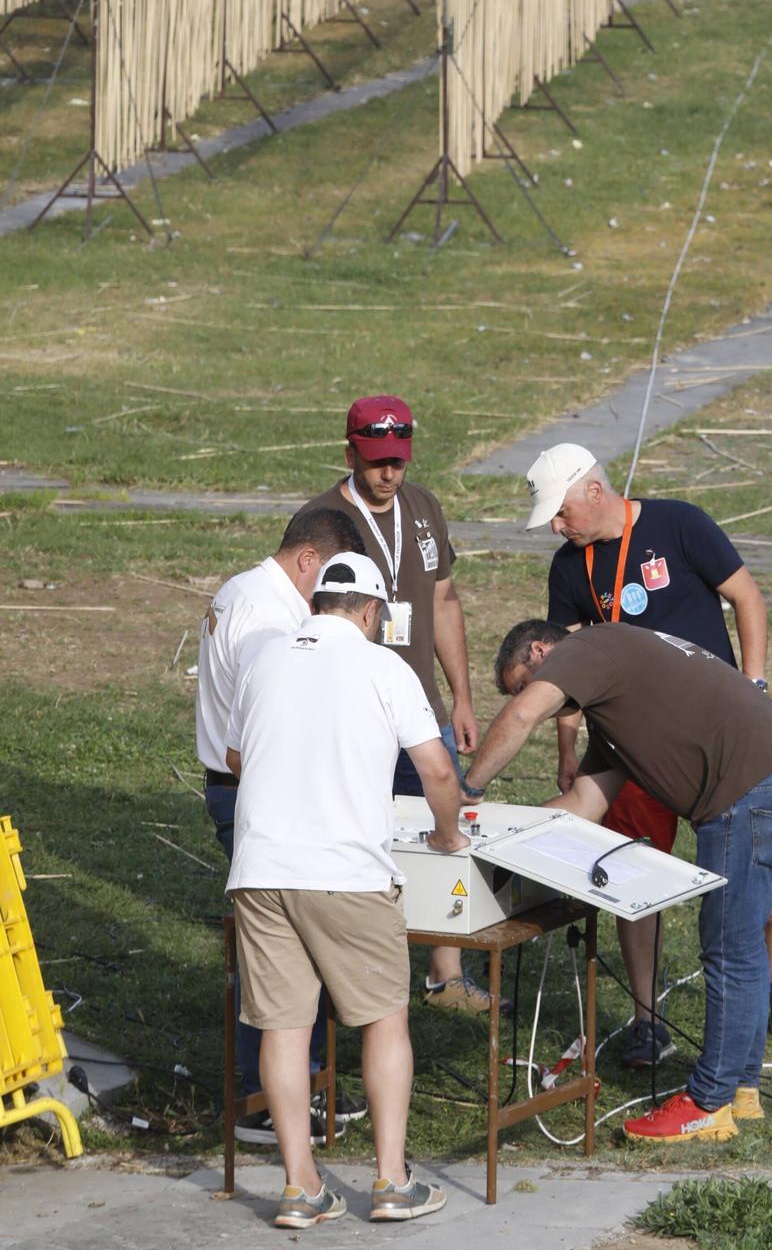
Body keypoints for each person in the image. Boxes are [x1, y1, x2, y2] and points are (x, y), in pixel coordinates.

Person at [462, 619, 772, 1145]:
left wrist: (467, 792)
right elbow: (582, 805)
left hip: (756, 785)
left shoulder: (585, 648)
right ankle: (741, 1091)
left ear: (542, 652)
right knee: (742, 941)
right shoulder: (614, 711)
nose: (531, 702)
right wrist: (493, 833)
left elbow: (521, 715)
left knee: (728, 947)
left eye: (524, 680)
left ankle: (707, 1102)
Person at [524, 442, 772, 1065]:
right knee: (632, 872)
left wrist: (753, 686)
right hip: (632, 747)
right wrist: (568, 750)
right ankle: (647, 1018)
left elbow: (748, 599)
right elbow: (566, 671)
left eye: (561, 511)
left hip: (715, 740)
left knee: (746, 873)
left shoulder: (679, 524)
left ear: (594, 491)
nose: (556, 525)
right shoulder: (568, 569)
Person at [225, 551, 468, 1226]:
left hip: (262, 870)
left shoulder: (262, 658)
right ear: (372, 611)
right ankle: (390, 1181)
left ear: (315, 603)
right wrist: (448, 836)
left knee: (282, 1026)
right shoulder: (383, 665)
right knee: (384, 1018)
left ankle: (301, 1187)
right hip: (347, 873)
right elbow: (437, 771)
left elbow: (237, 755)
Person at [307, 394, 490, 1014]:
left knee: (444, 824)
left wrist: (461, 697)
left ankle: (445, 972)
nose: (390, 474)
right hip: (353, 710)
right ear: (350, 450)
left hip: (419, 706)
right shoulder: (322, 521)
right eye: (378, 460)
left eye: (400, 461)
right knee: (357, 831)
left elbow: (443, 601)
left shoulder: (424, 508)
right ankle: (348, 959)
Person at [197, 503, 368, 1143]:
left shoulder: (245, 593)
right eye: (328, 584)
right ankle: (265, 1095)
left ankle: (303, 1079)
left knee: (289, 945)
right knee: (278, 952)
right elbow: (260, 731)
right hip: (254, 793)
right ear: (307, 560)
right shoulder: (270, 619)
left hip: (245, 789)